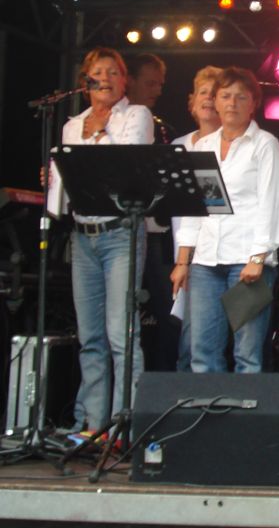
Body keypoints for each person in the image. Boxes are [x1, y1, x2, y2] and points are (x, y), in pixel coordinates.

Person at [47, 47, 154, 430]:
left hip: (120, 232)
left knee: (121, 334)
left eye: (113, 72)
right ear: (85, 81)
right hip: (83, 235)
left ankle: (125, 424)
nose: (105, 78)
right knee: (90, 336)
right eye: (98, 72)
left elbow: (124, 164)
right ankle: (92, 424)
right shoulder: (72, 125)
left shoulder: (136, 116)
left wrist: (88, 152)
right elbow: (69, 183)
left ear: (124, 81)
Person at [172, 67, 279, 373]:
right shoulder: (203, 146)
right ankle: (208, 406)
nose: (232, 103)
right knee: (202, 352)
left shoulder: (265, 144)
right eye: (225, 96)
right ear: (216, 102)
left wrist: (258, 257)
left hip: (246, 261)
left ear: (254, 103)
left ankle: (243, 407)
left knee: (247, 354)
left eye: (240, 97)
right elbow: (196, 207)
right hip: (206, 261)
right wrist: (183, 260)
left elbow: (272, 204)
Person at [126, 52, 178, 372]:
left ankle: (163, 382)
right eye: (150, 83)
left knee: (167, 313)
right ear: (128, 81)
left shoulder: (162, 130)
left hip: (156, 235)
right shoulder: (109, 125)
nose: (157, 90)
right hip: (121, 232)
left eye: (160, 84)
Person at [169, 66, 222, 372]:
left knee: (213, 342)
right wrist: (182, 259)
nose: (209, 99)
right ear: (191, 101)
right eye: (203, 92)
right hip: (186, 256)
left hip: (223, 256)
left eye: (216, 94)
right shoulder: (178, 147)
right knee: (190, 345)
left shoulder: (233, 145)